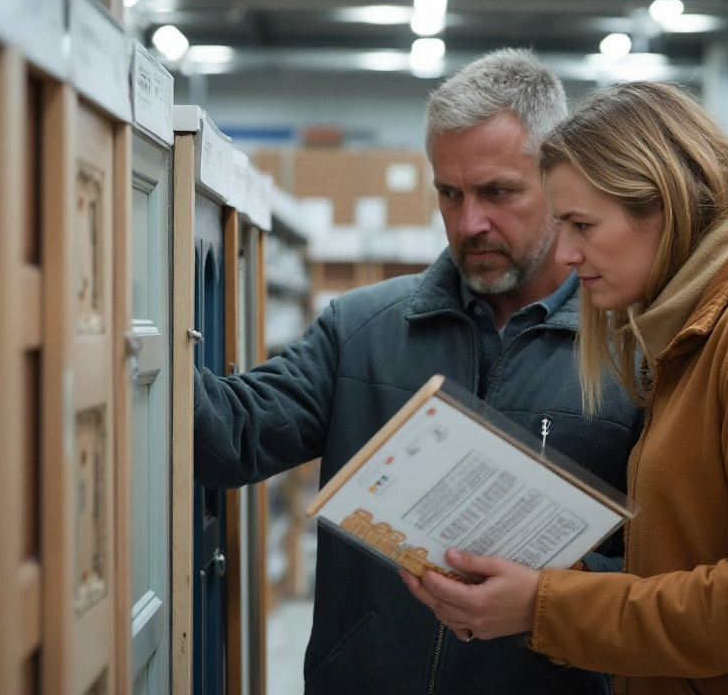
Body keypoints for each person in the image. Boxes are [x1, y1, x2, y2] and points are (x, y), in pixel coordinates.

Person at [402, 80, 728, 694]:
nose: (565, 252)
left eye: (583, 225)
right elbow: (688, 557)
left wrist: (548, 605)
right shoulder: (694, 333)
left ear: (662, 205)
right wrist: (555, 578)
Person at [192, 49, 645, 694]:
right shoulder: (361, 328)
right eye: (449, 193)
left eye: (498, 193)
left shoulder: (634, 356)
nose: (469, 224)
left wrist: (553, 594)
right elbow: (233, 437)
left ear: (560, 183)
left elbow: (668, 573)